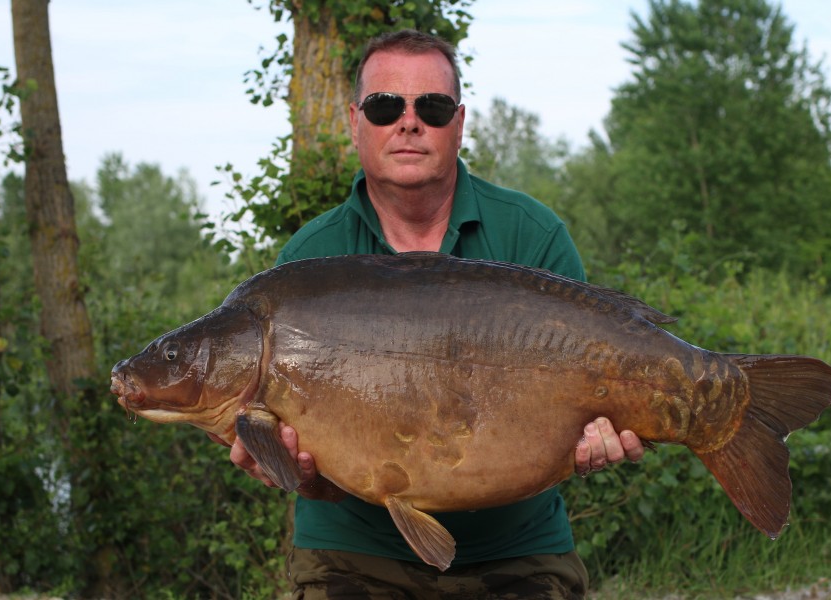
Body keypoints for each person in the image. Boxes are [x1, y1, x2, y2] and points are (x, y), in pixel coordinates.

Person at [216, 29, 645, 599]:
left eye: (433, 107)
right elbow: (313, 475)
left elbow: (591, 392)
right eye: (386, 105)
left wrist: (599, 437)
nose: (409, 121)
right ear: (354, 121)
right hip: (352, 554)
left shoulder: (532, 235)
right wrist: (293, 471)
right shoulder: (306, 264)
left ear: (459, 123)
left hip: (518, 549)